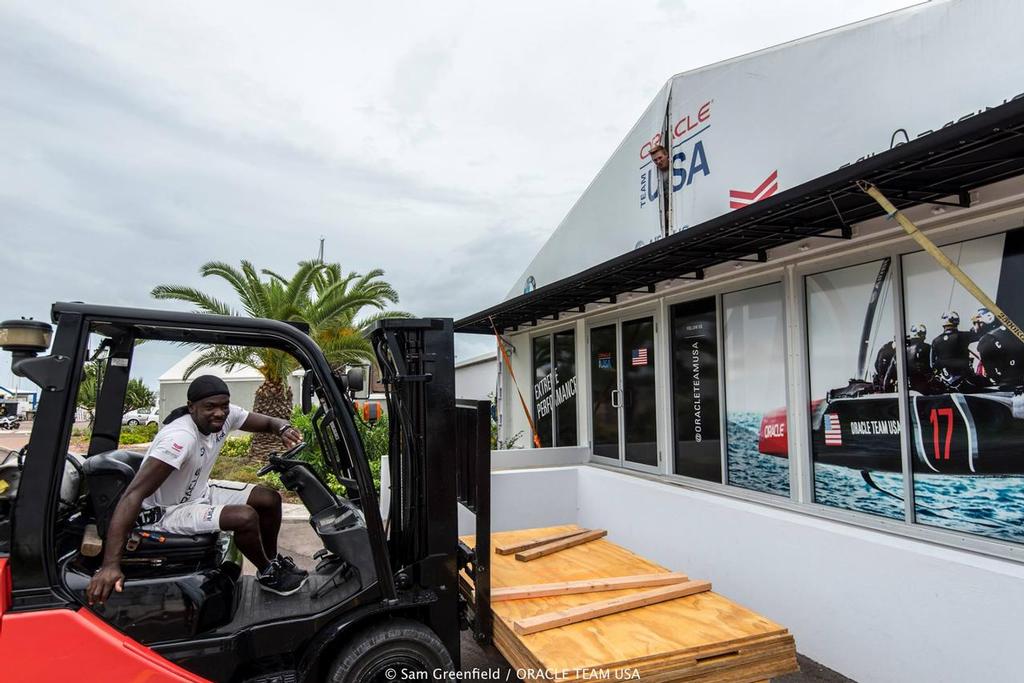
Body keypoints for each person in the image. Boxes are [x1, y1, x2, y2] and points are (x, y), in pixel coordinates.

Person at [87, 375, 308, 605]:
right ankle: (268, 574)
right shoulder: (180, 439)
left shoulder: (226, 415)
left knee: (269, 498)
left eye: (224, 406)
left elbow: (268, 422)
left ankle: (272, 562)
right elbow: (134, 494)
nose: (220, 413)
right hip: (166, 511)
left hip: (199, 491)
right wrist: (110, 564)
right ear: (191, 407)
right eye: (210, 407)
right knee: (245, 517)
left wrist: (283, 428)